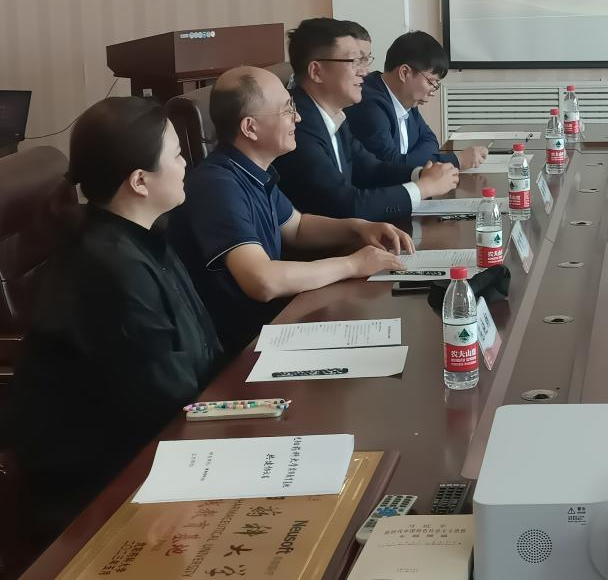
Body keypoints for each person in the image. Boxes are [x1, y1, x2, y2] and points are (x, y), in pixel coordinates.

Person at [8, 97, 223, 535]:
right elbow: (160, 401)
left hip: (165, 443)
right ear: (140, 181)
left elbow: (200, 347)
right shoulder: (111, 271)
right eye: (177, 155)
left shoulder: (143, 236)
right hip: (108, 484)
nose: (186, 163)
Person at [170, 66, 414, 353]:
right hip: (244, 346)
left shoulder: (254, 170)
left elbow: (296, 227)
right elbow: (262, 280)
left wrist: (358, 227)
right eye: (287, 110)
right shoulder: (218, 184)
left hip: (275, 324)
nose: (297, 117)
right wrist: (352, 265)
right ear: (250, 127)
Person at [272, 18, 459, 221]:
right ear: (316, 72)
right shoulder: (298, 126)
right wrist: (423, 188)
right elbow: (344, 205)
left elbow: (371, 169)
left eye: (364, 61)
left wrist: (420, 175)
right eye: (354, 62)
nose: (364, 71)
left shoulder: (335, 117)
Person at [346, 30, 488, 170]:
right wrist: (456, 161)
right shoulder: (368, 105)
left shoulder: (406, 99)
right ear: (404, 73)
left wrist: (408, 160)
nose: (432, 92)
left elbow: (430, 139)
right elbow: (390, 165)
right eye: (431, 82)